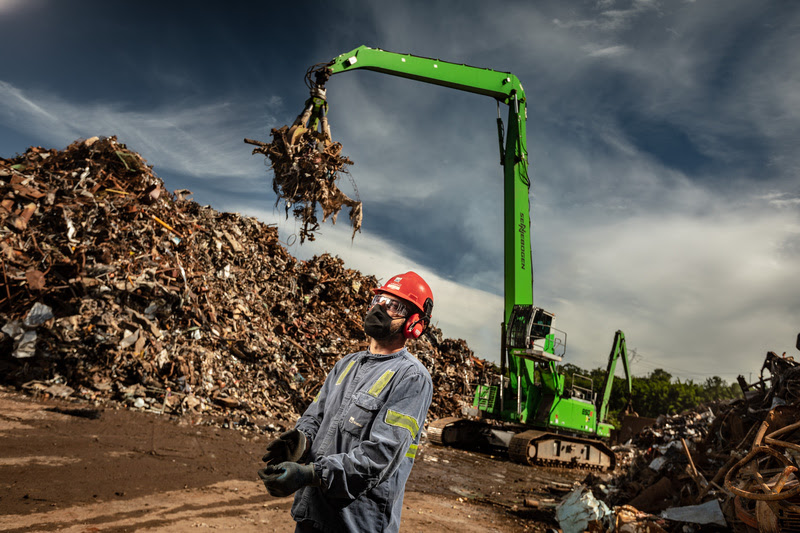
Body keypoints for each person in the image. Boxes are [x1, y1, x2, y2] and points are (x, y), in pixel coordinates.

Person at [258, 271, 435, 533]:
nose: (380, 309)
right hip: (312, 513)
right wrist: (301, 441)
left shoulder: (412, 378)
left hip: (356, 523)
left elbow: (381, 455)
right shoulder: (347, 364)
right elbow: (315, 416)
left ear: (414, 323)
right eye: (379, 301)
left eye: (394, 306)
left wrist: (311, 474)